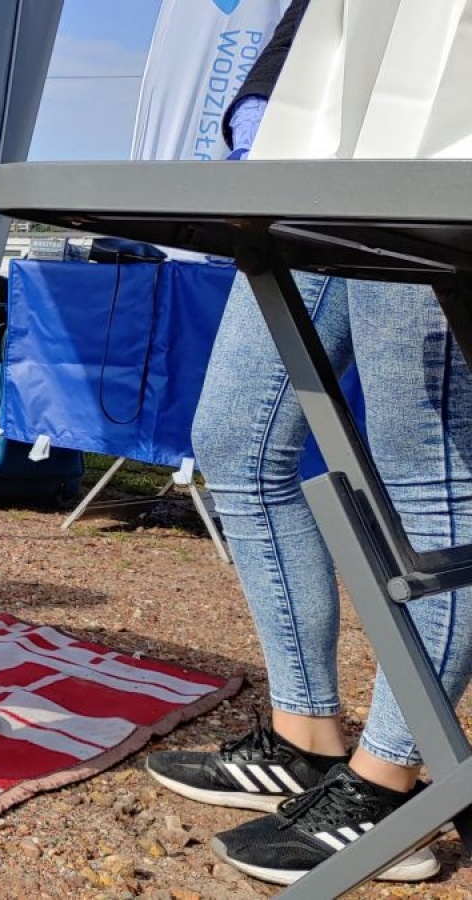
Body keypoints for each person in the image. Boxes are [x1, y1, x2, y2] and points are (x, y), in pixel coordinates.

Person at [145, 0, 472, 885]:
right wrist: (262, 109)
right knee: (237, 444)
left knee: (430, 476)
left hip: (442, 144)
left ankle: (393, 781)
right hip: (319, 154)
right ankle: (307, 736)